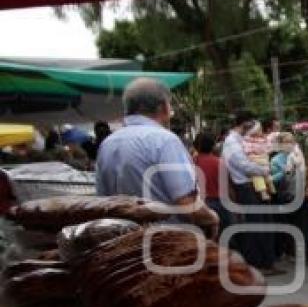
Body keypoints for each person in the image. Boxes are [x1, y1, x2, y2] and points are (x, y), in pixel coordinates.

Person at [96, 77, 218, 237]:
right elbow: (187, 205)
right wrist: (213, 218)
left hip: (123, 244)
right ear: (163, 107)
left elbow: (101, 203)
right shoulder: (164, 140)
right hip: (167, 244)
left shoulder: (107, 144)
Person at [221, 110, 280, 275]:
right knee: (257, 225)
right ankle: (258, 264)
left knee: (267, 223)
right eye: (252, 122)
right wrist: (264, 170)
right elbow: (243, 165)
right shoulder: (232, 141)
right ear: (244, 123)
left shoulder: (246, 139)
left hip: (257, 185)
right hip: (246, 186)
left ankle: (268, 262)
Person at [194, 131, 231, 236]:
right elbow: (227, 188)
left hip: (199, 205)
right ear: (213, 145)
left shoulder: (191, 162)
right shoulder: (220, 163)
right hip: (220, 204)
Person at [242, 122, 275, 202]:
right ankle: (263, 192)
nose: (261, 131)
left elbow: (269, 148)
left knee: (266, 174)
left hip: (263, 159)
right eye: (259, 129)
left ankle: (270, 187)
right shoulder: (247, 140)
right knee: (257, 175)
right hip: (254, 160)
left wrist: (265, 155)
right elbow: (248, 152)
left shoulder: (263, 139)